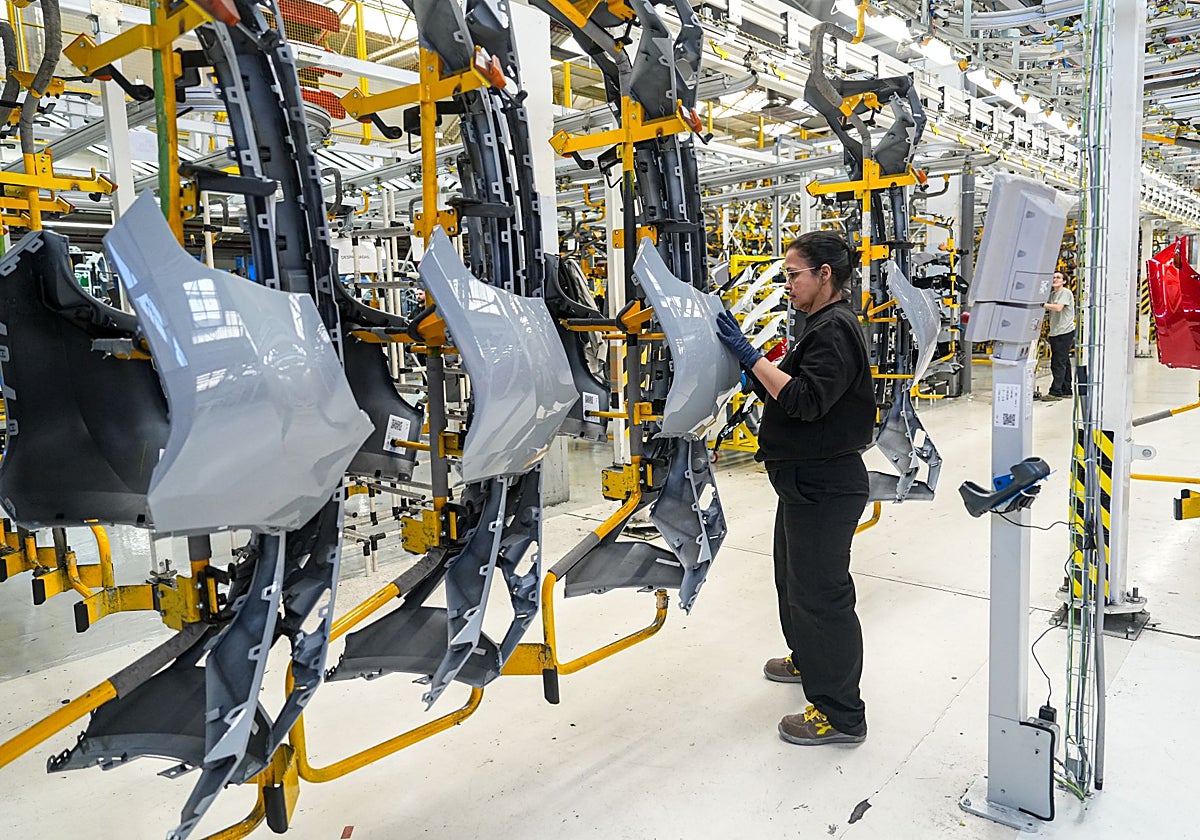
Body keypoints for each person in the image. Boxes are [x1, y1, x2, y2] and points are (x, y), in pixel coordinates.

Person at [714, 231, 875, 747]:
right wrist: (762, 375)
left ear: (824, 274)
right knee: (793, 582)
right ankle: (808, 661)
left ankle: (841, 714)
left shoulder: (834, 329)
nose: (787, 284)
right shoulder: (818, 325)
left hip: (826, 484)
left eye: (792, 275)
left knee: (822, 596)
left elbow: (806, 401)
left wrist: (750, 357)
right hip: (804, 481)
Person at [1042, 270, 1075, 400]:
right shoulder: (1052, 295)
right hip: (1056, 332)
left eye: (1058, 277)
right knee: (1064, 361)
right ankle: (1066, 389)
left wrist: (1042, 305)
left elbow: (1058, 308)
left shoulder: (1065, 293)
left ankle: (1055, 392)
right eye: (1053, 277)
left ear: (1064, 281)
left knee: (1057, 362)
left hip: (1064, 332)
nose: (1055, 279)